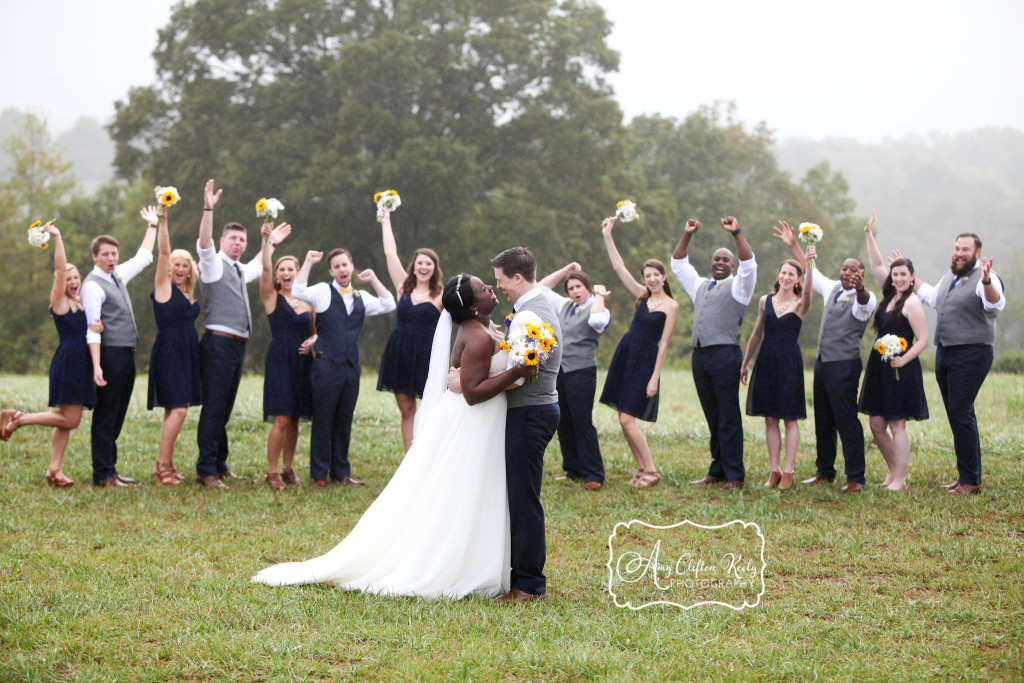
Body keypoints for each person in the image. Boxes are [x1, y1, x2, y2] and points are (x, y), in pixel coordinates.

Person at [251, 275, 536, 598]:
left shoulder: (485, 328)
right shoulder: (478, 336)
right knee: (463, 490)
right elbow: (471, 392)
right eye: (483, 288)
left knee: (473, 489)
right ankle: (457, 565)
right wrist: (516, 371)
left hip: (481, 421)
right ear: (472, 306)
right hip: (473, 418)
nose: (490, 289)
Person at [195, 179, 289, 488]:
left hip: (236, 347)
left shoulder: (237, 268)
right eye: (232, 238)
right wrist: (209, 208)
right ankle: (206, 469)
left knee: (225, 406)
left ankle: (220, 463)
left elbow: (257, 265)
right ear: (222, 241)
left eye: (242, 240)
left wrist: (270, 241)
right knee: (214, 407)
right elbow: (204, 244)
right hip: (218, 343)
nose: (237, 243)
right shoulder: (213, 266)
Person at [489, 246, 563, 602]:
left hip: (530, 412)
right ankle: (522, 576)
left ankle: (529, 584)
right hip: (539, 409)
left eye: (501, 281)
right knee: (523, 495)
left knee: (524, 500)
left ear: (517, 277)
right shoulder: (539, 305)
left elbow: (518, 377)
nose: (499, 287)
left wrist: (469, 385)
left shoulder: (528, 317)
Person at [1, 224, 98, 486]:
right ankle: (19, 418)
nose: (73, 281)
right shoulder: (60, 301)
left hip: (81, 362)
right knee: (71, 419)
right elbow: (59, 268)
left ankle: (54, 470)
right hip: (69, 361)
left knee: (65, 421)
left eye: (76, 277)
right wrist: (58, 237)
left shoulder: (80, 302)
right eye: (68, 279)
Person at [292, 248, 396, 487]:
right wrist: (307, 261)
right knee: (323, 420)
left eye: (345, 265)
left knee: (344, 420)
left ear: (351, 267)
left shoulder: (361, 297)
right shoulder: (322, 292)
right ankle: (319, 475)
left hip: (351, 368)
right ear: (331, 271)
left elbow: (389, 304)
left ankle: (341, 472)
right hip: (326, 366)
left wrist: (373, 280)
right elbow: (297, 291)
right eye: (336, 266)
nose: (342, 269)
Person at [911, 232, 1005, 495]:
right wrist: (910, 277)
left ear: (977, 253)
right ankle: (967, 474)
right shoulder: (950, 277)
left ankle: (971, 481)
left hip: (972, 353)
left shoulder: (986, 277)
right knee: (958, 414)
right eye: (956, 248)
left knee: (961, 411)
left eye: (965, 249)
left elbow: (995, 304)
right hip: (947, 351)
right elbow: (933, 298)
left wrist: (986, 281)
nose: (959, 253)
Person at [671, 217, 757, 490]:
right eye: (716, 259)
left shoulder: (740, 288)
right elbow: (678, 264)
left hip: (725, 355)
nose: (720, 262)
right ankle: (717, 469)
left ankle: (735, 475)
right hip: (700, 356)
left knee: (728, 415)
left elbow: (749, 264)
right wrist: (687, 234)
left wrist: (736, 234)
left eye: (725, 260)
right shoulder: (700, 285)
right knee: (712, 415)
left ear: (731, 266)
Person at [794, 214, 877, 494]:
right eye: (844, 268)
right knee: (823, 418)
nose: (847, 273)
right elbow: (811, 273)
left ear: (862, 275)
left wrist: (861, 288)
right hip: (823, 363)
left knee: (845, 419)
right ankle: (824, 471)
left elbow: (865, 304)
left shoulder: (865, 297)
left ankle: (856, 477)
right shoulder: (832, 289)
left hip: (845, 365)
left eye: (854, 270)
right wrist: (799, 248)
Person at [599, 218, 679, 488]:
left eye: (656, 274)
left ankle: (652, 471)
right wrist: (608, 235)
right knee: (623, 420)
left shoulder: (671, 306)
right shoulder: (642, 296)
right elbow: (618, 267)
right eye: (647, 276)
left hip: (645, 362)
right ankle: (642, 468)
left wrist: (655, 377)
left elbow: (664, 344)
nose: (652, 279)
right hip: (626, 355)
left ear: (664, 277)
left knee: (627, 419)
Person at [81, 209, 157, 487]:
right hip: (110, 355)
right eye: (106, 255)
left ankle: (110, 469)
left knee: (119, 412)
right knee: (106, 413)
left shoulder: (117, 277)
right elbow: (93, 329)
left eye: (114, 254)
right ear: (95, 257)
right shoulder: (92, 286)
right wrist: (98, 365)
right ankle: (102, 473)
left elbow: (143, 258)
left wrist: (152, 225)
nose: (112, 259)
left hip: (127, 353)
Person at [741, 226, 813, 490]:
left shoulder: (800, 303)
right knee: (770, 418)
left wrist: (808, 261)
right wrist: (746, 362)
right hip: (767, 360)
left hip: (789, 361)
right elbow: (756, 334)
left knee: (789, 418)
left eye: (791, 274)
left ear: (797, 279)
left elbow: (808, 290)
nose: (785, 277)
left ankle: (790, 471)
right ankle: (774, 470)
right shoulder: (765, 301)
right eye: (783, 272)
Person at [861, 221, 929, 491]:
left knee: (897, 424)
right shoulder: (888, 294)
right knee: (877, 424)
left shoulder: (912, 302)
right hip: (880, 367)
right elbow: (878, 265)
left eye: (903, 275)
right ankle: (893, 471)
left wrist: (903, 359)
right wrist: (868, 234)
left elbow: (923, 340)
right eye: (895, 275)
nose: (898, 279)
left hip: (902, 367)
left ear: (912, 277)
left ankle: (900, 479)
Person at [375, 207, 442, 451]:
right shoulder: (403, 287)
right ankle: (410, 457)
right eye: (420, 263)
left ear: (434, 268)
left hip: (426, 356)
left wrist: (486, 323)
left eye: (428, 263)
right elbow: (389, 252)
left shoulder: (441, 295)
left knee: (431, 409)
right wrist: (386, 220)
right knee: (407, 410)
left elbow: (464, 316)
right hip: (400, 353)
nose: (423, 267)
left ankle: (429, 454)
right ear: (413, 266)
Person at [538, 262, 610, 490]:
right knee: (564, 421)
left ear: (587, 287)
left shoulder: (599, 308)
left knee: (582, 421)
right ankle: (573, 469)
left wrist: (600, 295)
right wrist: (565, 271)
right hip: (560, 371)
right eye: (571, 288)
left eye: (579, 286)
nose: (575, 292)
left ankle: (594, 473)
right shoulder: (565, 306)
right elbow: (540, 289)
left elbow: (597, 321)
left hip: (582, 372)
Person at [147, 204, 201, 486]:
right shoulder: (164, 287)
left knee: (175, 409)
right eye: (176, 264)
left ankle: (166, 462)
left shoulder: (186, 292)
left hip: (186, 353)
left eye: (185, 265)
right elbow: (164, 252)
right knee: (179, 409)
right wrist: (163, 221)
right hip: (169, 351)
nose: (180, 268)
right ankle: (163, 465)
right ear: (169, 269)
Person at [258, 222, 314, 490]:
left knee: (294, 417)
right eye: (282, 269)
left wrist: (314, 339)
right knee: (281, 416)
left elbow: (317, 331)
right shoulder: (271, 297)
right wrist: (269, 241)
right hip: (280, 359)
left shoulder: (307, 303)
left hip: (303, 362)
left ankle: (288, 467)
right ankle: (271, 472)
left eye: (291, 269)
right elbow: (265, 267)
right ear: (278, 276)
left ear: (297, 274)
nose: (286, 272)